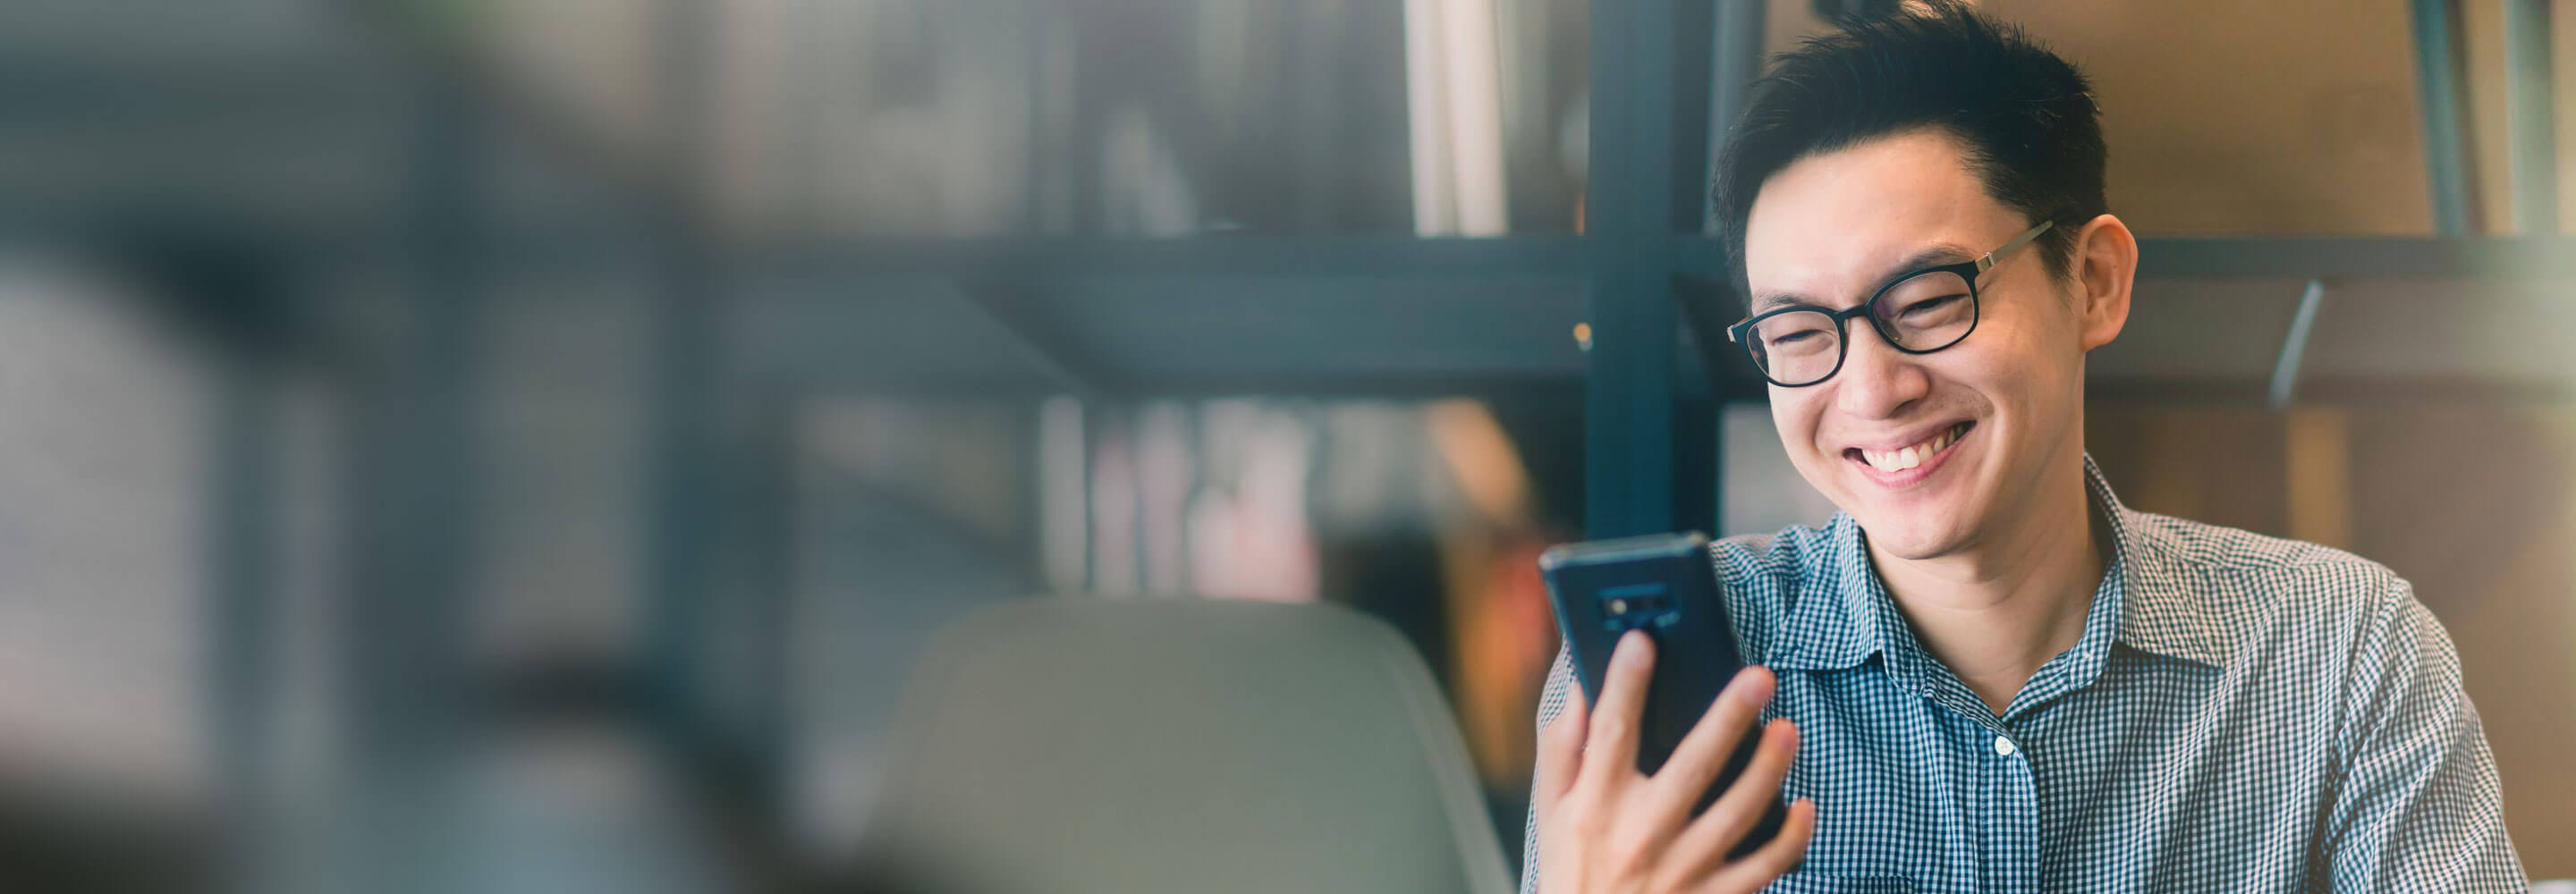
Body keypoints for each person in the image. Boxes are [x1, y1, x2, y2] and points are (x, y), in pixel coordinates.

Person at [1519, 4, 2526, 891]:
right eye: (1797, 334)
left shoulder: (2338, 655)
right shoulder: (1658, 685)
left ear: (2092, 281)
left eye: (1924, 302)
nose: (1870, 388)